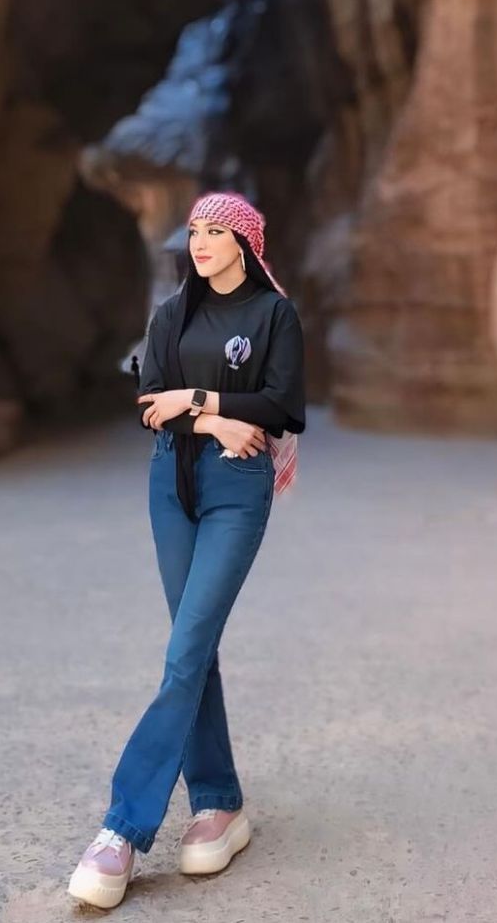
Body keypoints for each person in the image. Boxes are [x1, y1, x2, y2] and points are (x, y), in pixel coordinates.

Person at [67, 190, 306, 909]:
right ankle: (219, 803)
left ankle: (124, 828)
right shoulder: (172, 314)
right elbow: (149, 402)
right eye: (193, 232)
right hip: (171, 487)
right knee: (193, 650)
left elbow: (282, 405)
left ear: (244, 244)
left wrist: (194, 403)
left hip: (238, 490)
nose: (199, 243)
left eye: (214, 231)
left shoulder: (273, 316)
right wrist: (211, 421)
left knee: (185, 650)